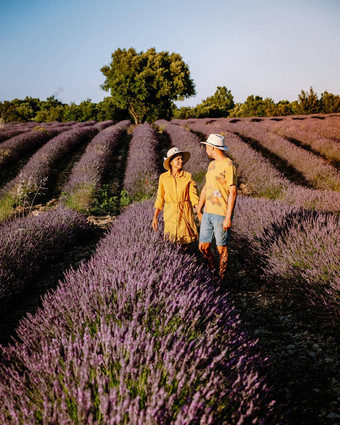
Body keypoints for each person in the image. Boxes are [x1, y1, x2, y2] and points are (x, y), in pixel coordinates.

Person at [197, 134, 237, 280]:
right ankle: (212, 272)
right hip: (208, 212)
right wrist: (199, 208)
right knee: (203, 247)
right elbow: (206, 188)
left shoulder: (229, 165)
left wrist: (228, 217)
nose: (206, 150)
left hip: (221, 214)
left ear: (212, 147)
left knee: (222, 249)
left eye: (206, 147)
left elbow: (233, 192)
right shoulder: (211, 165)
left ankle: (222, 279)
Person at [152, 147, 199, 245]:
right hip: (170, 213)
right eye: (178, 159)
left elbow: (194, 196)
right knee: (171, 240)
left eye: (182, 159)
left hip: (185, 212)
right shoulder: (163, 178)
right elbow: (160, 198)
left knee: (186, 241)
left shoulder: (188, 176)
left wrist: (199, 212)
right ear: (171, 162)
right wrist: (155, 217)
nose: (181, 161)